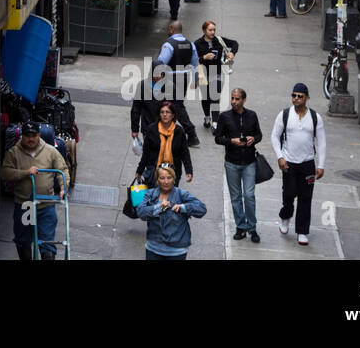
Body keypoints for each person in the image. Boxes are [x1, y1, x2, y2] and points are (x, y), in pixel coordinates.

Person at [1, 120, 69, 259]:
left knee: (47, 244)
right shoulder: (14, 152)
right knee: (23, 241)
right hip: (24, 205)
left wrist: (63, 188)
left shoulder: (50, 151)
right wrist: (25, 172)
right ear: (22, 136)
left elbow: (62, 170)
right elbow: (5, 173)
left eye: (33, 135)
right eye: (27, 135)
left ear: (39, 135)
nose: (30, 139)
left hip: (46, 204)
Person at [270, 83, 326, 246]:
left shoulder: (315, 118)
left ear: (307, 98)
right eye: (294, 95)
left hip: (307, 163)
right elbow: (275, 136)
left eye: (300, 96)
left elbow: (321, 143)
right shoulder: (284, 115)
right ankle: (285, 216)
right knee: (289, 193)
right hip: (289, 163)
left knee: (305, 198)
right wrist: (280, 157)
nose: (296, 98)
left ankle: (302, 231)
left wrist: (321, 165)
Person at [215, 87, 263, 243]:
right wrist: (231, 141)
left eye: (237, 99)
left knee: (249, 196)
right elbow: (218, 138)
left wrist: (253, 139)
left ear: (244, 100)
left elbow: (259, 134)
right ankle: (240, 227)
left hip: (249, 162)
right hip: (231, 163)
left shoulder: (252, 115)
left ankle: (252, 227)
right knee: (235, 197)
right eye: (232, 98)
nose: (234, 102)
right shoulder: (224, 116)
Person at [137, 162, 207, 260]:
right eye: (162, 178)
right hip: (153, 248)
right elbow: (141, 213)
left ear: (174, 179)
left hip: (177, 251)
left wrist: (183, 207)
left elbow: (202, 209)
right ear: (157, 179)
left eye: (169, 178)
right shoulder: (151, 194)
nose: (166, 181)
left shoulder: (182, 194)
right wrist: (158, 208)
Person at [156, 21, 201, 146]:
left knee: (174, 106)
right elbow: (196, 63)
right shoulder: (190, 44)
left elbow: (161, 62)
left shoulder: (168, 45)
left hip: (170, 78)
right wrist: (197, 78)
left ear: (171, 29)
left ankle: (191, 133)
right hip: (184, 78)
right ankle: (167, 133)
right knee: (173, 105)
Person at [136, 101, 194, 185]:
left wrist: (189, 171)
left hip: (173, 172)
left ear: (173, 115)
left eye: (167, 112)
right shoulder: (152, 129)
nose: (164, 114)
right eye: (162, 112)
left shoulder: (179, 131)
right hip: (155, 172)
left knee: (171, 197)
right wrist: (139, 171)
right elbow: (146, 153)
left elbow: (184, 153)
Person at [194, 20, 239, 129]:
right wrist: (203, 57)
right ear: (204, 30)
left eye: (214, 30)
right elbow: (193, 60)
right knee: (205, 98)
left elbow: (235, 43)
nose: (213, 32)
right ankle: (207, 116)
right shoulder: (197, 43)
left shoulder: (219, 40)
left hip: (216, 72)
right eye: (210, 30)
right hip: (203, 73)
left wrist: (232, 52)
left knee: (215, 96)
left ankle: (215, 122)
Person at [130, 63, 171, 139]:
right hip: (147, 129)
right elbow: (136, 109)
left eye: (161, 74)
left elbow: (173, 109)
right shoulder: (142, 86)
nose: (159, 77)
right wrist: (135, 129)